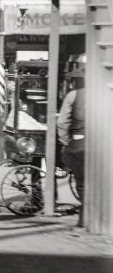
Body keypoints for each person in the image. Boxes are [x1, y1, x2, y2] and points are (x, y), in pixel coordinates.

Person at [58, 65, 85, 226]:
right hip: (102, 143)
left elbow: (62, 123)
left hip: (79, 143)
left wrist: (66, 141)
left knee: (81, 183)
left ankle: (84, 216)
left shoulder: (73, 95)